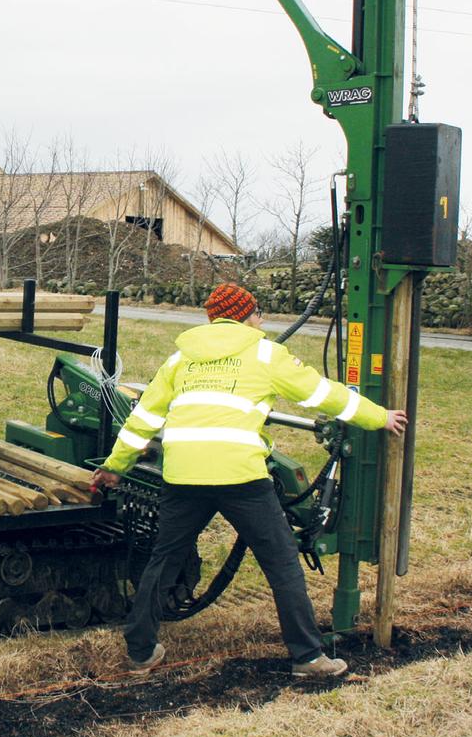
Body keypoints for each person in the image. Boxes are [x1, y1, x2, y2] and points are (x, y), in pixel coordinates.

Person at [92, 283, 408, 678]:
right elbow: (322, 394)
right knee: (281, 564)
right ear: (245, 315)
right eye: (258, 312)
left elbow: (142, 421)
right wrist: (380, 416)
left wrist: (114, 467)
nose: (263, 320)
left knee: (165, 558)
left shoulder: (180, 358)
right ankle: (308, 658)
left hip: (184, 473)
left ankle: (140, 652)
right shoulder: (264, 353)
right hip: (240, 474)